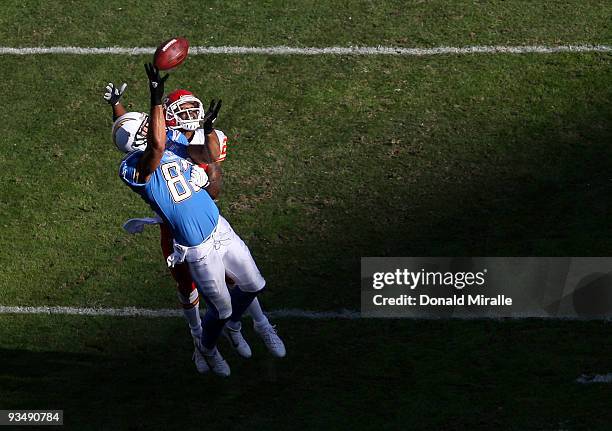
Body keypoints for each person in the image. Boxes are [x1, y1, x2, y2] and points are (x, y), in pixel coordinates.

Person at [105, 82, 286, 374]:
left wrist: (208, 128)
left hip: (216, 225)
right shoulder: (131, 168)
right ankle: (203, 344)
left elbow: (202, 158)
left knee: (252, 284)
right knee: (201, 295)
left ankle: (248, 326)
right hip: (188, 240)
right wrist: (152, 97)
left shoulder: (173, 138)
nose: (152, 126)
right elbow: (146, 143)